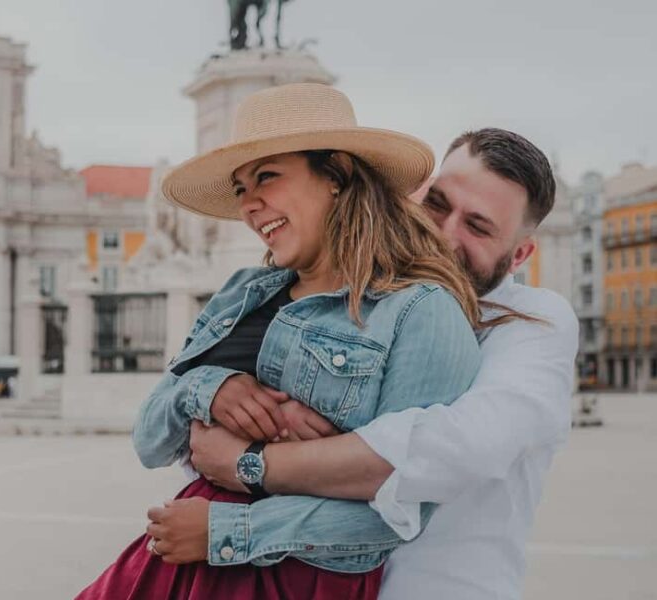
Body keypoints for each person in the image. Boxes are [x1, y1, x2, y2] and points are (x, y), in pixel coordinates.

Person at [76, 83, 489, 599]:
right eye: (240, 188)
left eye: (267, 176)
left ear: (336, 173)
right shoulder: (241, 293)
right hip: (174, 563)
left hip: (287, 579)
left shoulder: (421, 310)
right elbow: (148, 440)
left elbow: (403, 510)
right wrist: (209, 388)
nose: (249, 204)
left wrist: (228, 528)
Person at [188, 128, 580, 600]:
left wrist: (250, 462)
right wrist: (222, 392)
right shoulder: (362, 298)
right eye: (437, 204)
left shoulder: (536, 321)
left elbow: (451, 450)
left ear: (519, 254)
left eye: (477, 227)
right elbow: (192, 440)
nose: (444, 233)